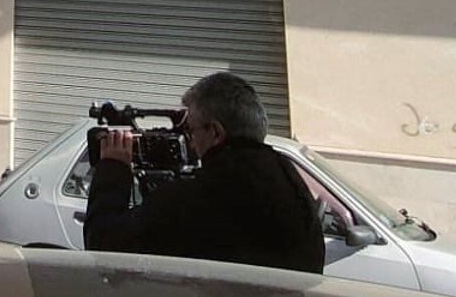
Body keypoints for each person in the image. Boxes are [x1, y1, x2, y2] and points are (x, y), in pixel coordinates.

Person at [83, 71, 324, 274]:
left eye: (192, 131)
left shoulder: (204, 195)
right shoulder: (289, 180)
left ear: (216, 133)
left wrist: (113, 169)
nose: (191, 143)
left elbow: (105, 246)